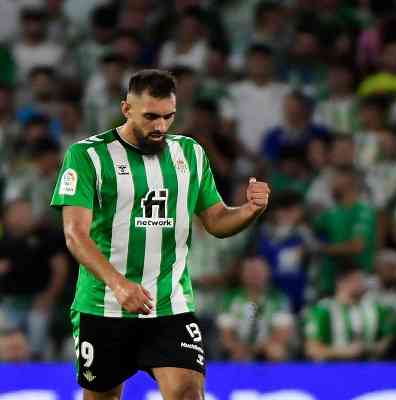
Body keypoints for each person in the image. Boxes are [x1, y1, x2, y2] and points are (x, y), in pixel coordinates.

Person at [50, 69, 270, 400]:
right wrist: (119, 284)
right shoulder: (87, 156)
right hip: (104, 305)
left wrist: (249, 211)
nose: (160, 127)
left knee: (187, 392)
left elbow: (216, 220)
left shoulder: (190, 153)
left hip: (171, 306)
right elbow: (75, 234)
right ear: (126, 109)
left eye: (169, 117)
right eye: (151, 117)